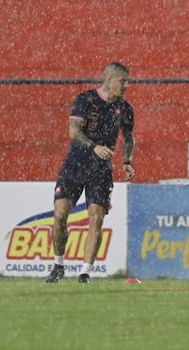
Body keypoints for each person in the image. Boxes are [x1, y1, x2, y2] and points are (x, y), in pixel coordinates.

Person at [44, 62, 135, 284]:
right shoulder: (85, 100)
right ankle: (58, 265)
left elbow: (129, 137)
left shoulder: (125, 108)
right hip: (75, 165)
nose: (126, 86)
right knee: (60, 214)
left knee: (96, 218)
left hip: (101, 171)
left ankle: (84, 273)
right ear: (109, 79)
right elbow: (73, 132)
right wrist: (93, 146)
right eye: (123, 81)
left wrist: (126, 161)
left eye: (127, 81)